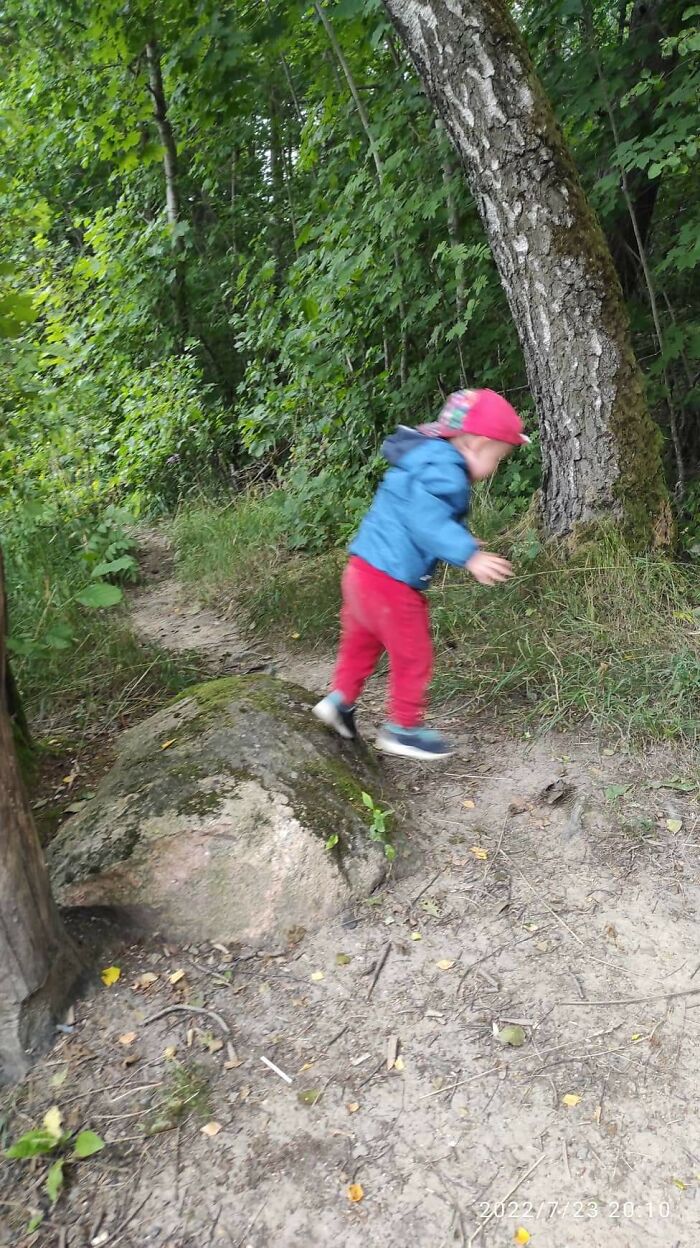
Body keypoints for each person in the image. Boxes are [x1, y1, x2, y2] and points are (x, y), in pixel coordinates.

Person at [313, 388, 530, 760]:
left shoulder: (424, 458)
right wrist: (469, 555)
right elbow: (426, 521)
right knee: (413, 653)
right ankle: (404, 727)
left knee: (361, 642)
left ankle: (340, 702)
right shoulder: (447, 469)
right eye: (498, 458)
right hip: (391, 581)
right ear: (477, 444)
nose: (496, 468)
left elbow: (416, 514)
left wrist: (457, 537)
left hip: (362, 570)